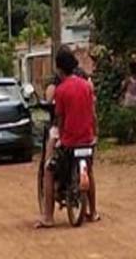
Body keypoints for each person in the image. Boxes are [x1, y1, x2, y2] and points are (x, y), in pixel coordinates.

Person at [37, 48, 99, 229]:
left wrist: (61, 139)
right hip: (87, 138)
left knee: (49, 168)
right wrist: (95, 134)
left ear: (59, 69)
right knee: (90, 169)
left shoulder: (60, 90)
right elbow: (93, 115)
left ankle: (48, 216)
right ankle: (93, 212)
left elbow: (60, 119)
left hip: (70, 139)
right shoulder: (86, 86)